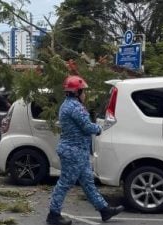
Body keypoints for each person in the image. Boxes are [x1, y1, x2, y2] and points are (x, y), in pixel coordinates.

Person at [46, 75, 124, 225]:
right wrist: (100, 128)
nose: (85, 94)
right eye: (83, 91)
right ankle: (53, 215)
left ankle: (104, 210)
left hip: (77, 152)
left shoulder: (67, 105)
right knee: (64, 183)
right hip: (73, 152)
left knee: (88, 183)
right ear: (77, 92)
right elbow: (87, 127)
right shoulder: (74, 107)